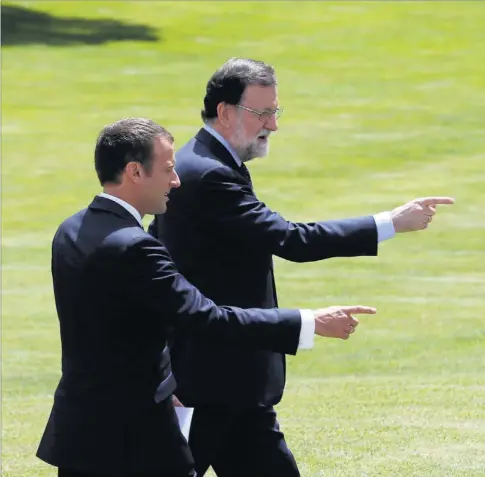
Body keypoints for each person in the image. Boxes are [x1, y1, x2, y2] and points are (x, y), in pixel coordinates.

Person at [148, 58, 455, 477]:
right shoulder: (209, 174)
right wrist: (390, 223)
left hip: (232, 378)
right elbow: (290, 240)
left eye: (276, 111)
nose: (273, 124)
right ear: (225, 111)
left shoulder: (204, 163)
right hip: (211, 379)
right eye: (263, 112)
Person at [35, 117, 378, 477]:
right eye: (167, 169)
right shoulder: (136, 247)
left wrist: (166, 381)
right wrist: (309, 322)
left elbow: (120, 327)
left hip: (81, 431)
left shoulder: (71, 230)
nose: (176, 180)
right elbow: (207, 318)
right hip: (135, 438)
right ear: (135, 172)